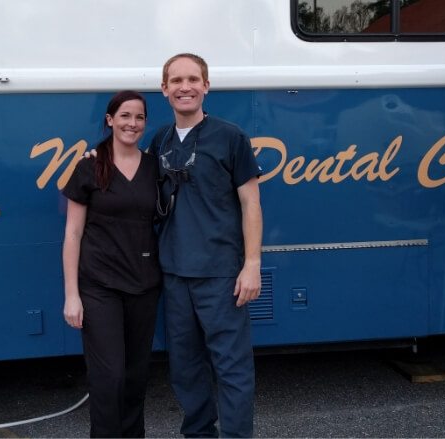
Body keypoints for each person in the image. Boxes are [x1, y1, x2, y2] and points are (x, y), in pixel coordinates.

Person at [149, 53, 263, 438]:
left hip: (220, 274)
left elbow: (251, 203)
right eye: (176, 80)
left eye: (193, 79)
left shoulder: (231, 137)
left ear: (206, 86)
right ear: (164, 89)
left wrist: (251, 264)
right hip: (175, 273)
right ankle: (198, 433)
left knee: (231, 367)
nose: (186, 87)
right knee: (185, 367)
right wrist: (97, 157)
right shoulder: (160, 139)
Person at [61, 90, 161, 438]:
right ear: (110, 120)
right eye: (125, 116)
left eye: (139, 117)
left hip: (145, 285)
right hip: (99, 286)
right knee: (109, 377)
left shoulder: (155, 167)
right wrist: (71, 295)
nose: (132, 123)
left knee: (135, 376)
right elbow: (72, 235)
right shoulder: (89, 166)